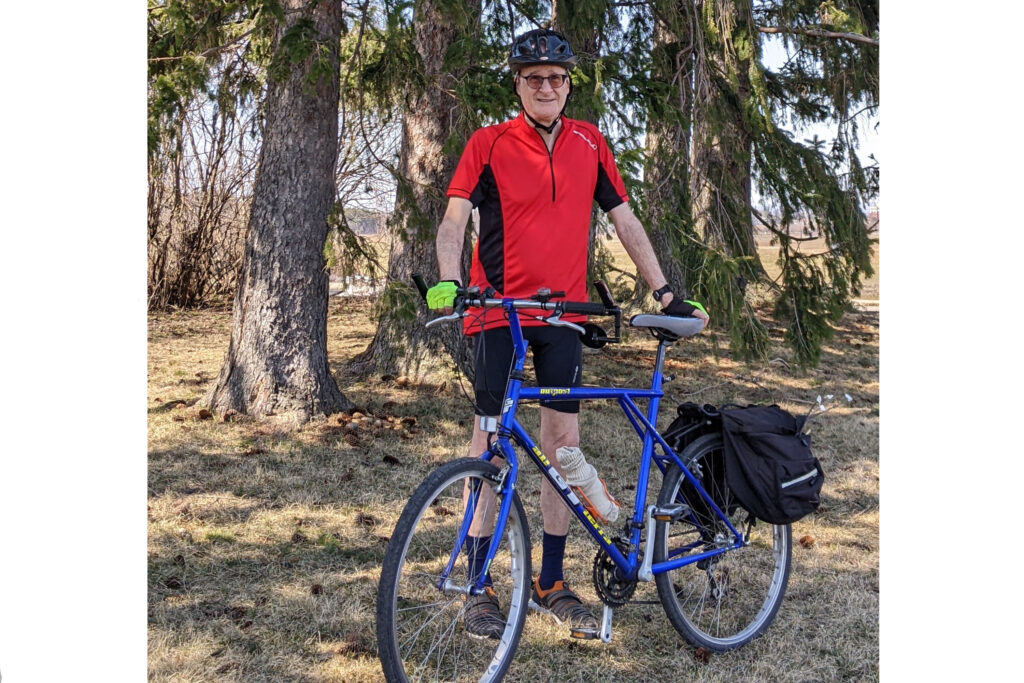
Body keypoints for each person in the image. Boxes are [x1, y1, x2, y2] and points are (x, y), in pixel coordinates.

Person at [425, 28, 710, 640]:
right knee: (487, 441)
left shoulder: (589, 142)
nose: (546, 86)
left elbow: (624, 218)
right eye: (534, 78)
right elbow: (453, 220)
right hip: (500, 311)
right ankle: (478, 585)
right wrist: (449, 279)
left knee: (562, 443)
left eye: (556, 78)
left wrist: (663, 290)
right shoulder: (488, 143)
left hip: (563, 317)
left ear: (568, 83)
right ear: (518, 85)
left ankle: (551, 582)